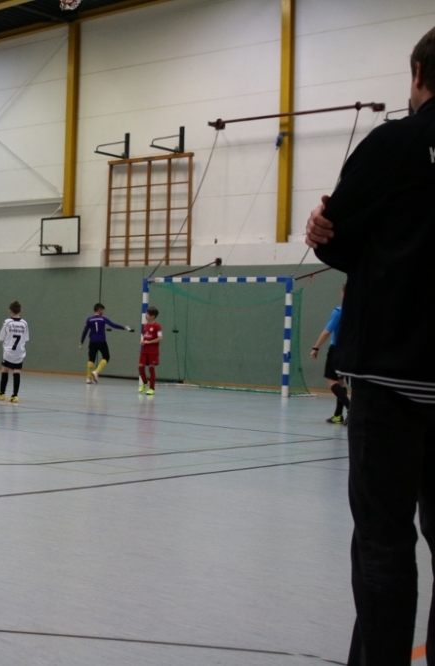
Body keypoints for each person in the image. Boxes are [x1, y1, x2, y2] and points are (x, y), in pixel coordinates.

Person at [304, 27, 435, 666]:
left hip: (391, 376)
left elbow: (336, 237)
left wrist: (322, 231)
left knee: (384, 544)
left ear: (418, 74)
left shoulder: (393, 143)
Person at [309, 287, 349, 424]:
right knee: (341, 381)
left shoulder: (339, 311)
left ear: (344, 294)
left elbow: (327, 331)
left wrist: (316, 347)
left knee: (332, 381)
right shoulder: (357, 312)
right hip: (349, 350)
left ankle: (350, 408)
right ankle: (338, 415)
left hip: (336, 349)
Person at [79, 303, 133, 384]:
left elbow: (85, 331)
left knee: (91, 359)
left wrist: (81, 342)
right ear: (99, 310)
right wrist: (124, 328)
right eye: (102, 310)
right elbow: (113, 325)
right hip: (101, 341)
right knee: (106, 357)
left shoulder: (89, 319)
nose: (103, 312)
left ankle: (88, 378)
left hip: (92, 341)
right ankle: (96, 372)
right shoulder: (103, 319)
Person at [0, 301, 29, 403]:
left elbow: (1, 338)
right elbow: (26, 338)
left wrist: (2, 340)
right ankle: (15, 396)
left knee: (5, 370)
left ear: (10, 311)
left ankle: (2, 394)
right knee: (17, 371)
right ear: (21, 310)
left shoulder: (7, 322)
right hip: (19, 352)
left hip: (8, 351)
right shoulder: (24, 323)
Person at [138, 306, 161, 396]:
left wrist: (149, 342)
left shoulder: (157, 326)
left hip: (153, 350)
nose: (146, 315)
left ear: (153, 316)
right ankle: (145, 382)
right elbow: (146, 336)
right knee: (140, 367)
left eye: (148, 314)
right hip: (145, 350)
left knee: (151, 368)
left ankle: (152, 388)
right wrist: (143, 341)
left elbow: (160, 338)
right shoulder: (145, 326)